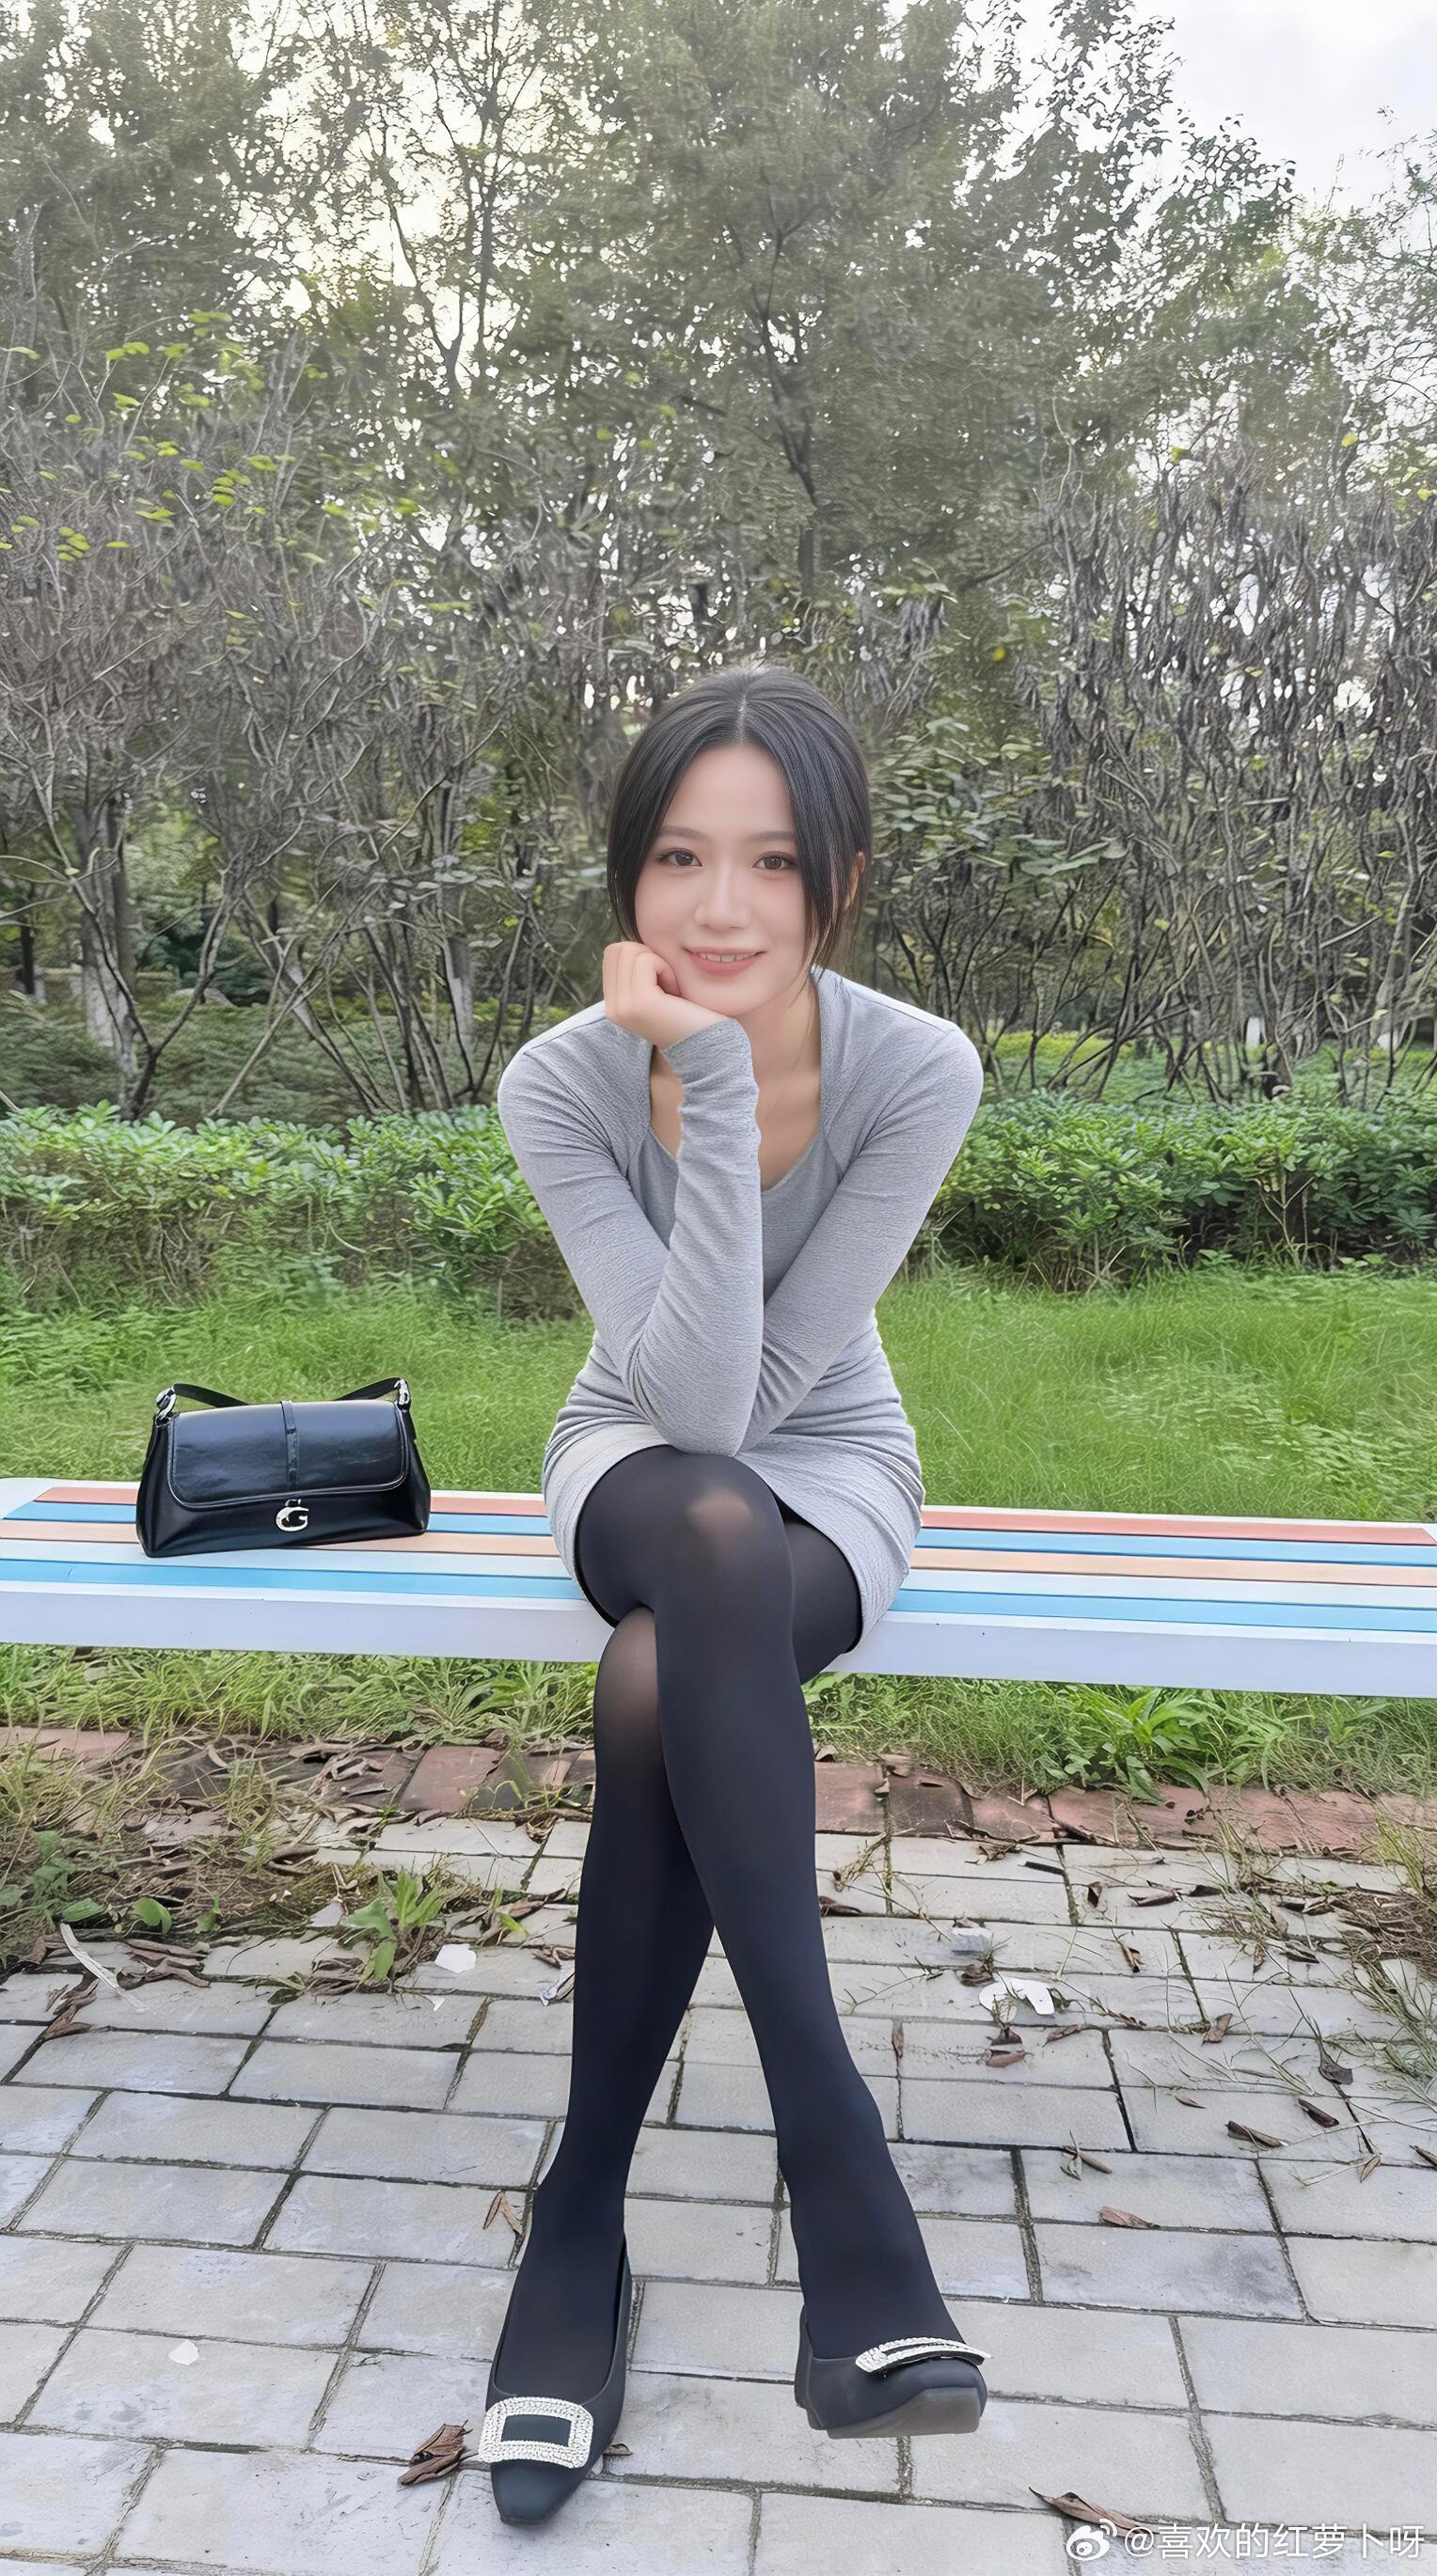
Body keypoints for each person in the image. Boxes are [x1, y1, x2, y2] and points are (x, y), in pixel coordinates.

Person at [483, 665, 987, 2522]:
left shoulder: (914, 1068)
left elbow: (776, 1398)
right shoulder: (561, 1080)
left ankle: (579, 2222)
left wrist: (712, 1074)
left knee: (652, 1683)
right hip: (633, 1454)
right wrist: (697, 1075)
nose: (720, 905)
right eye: (679, 856)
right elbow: (688, 1411)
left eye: (771, 862)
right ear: (629, 874)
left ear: (837, 882)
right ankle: (835, 2162)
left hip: (834, 1460)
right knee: (699, 1529)